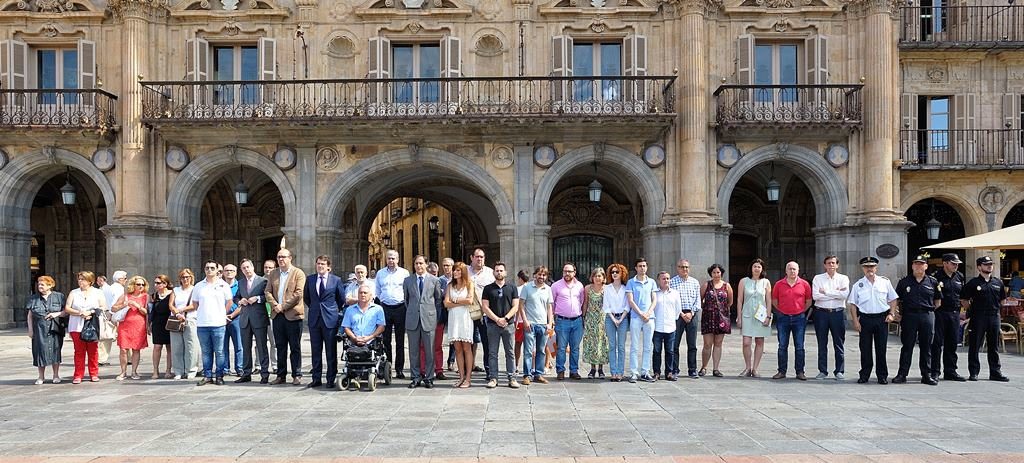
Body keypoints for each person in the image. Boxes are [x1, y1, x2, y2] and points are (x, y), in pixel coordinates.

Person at [847, 256, 899, 384]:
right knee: (865, 349)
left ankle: (882, 375)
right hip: (865, 319)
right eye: (866, 267)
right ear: (862, 268)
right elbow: (852, 304)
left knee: (881, 349)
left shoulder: (884, 282)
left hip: (881, 319)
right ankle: (864, 374)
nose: (869, 269)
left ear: (876, 268)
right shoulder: (858, 285)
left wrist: (892, 313)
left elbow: (893, 299)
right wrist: (855, 321)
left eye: (871, 266)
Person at [961, 255, 1009, 382]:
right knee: (974, 345)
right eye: (986, 264)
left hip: (994, 316)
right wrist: (971, 310)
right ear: (979, 267)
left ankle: (995, 372)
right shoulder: (973, 283)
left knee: (994, 346)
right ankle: (974, 372)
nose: (989, 266)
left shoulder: (998, 282)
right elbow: (964, 300)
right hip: (978, 317)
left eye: (991, 264)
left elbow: (1003, 300)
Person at [894, 255, 940, 385]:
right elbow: (896, 299)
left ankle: (926, 375)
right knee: (907, 346)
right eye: (916, 264)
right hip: (910, 316)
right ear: (912, 266)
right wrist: (897, 312)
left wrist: (929, 312)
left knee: (927, 346)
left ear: (926, 266)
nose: (919, 266)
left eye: (921, 264)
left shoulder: (932, 282)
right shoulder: (904, 282)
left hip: (927, 315)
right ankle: (902, 374)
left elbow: (938, 301)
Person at [301, 255, 345, 389]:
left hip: (330, 319)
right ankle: (316, 378)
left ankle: (331, 378)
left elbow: (341, 299)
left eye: (323, 264)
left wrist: (332, 311)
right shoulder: (310, 279)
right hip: (315, 319)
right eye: (318, 263)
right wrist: (316, 308)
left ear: (328, 267)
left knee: (330, 351)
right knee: (316, 350)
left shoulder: (336, 280)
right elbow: (306, 298)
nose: (320, 266)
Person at [265, 248, 307, 385]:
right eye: (278, 257)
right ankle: (280, 375)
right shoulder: (273, 274)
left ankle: (297, 374)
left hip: (293, 315)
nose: (281, 259)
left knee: (295, 347)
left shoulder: (298, 273)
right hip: (278, 315)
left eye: (283, 257)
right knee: (280, 346)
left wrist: (283, 306)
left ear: (290, 258)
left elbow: (299, 293)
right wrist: (275, 305)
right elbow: (267, 292)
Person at [403, 255, 444, 389]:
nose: (418, 266)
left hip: (429, 318)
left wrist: (434, 315)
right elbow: (406, 300)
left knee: (429, 350)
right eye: (416, 264)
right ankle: (415, 377)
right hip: (413, 319)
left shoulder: (434, 280)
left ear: (426, 264)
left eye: (421, 263)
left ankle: (429, 377)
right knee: (413, 350)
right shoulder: (408, 280)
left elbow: (438, 300)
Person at [481, 262, 520, 388]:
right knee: (493, 352)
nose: (499, 272)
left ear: (505, 273)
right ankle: (493, 378)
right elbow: (485, 307)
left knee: (510, 352)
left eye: (501, 270)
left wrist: (506, 318)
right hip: (493, 325)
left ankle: (512, 378)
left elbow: (516, 306)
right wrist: (497, 319)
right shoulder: (488, 288)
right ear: (493, 273)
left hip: (508, 325)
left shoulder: (512, 287)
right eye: (497, 270)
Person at [193, 261, 233, 386]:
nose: (209, 270)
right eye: (207, 268)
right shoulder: (199, 286)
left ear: (217, 270)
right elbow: (195, 304)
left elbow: (229, 302)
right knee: (205, 351)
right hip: (202, 324)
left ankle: (219, 375)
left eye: (212, 268)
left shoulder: (223, 285)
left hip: (218, 324)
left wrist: (222, 313)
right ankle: (208, 375)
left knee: (219, 351)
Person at [811, 255, 850, 380]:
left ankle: (839, 370)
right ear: (824, 265)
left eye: (833, 263)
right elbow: (816, 296)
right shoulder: (818, 278)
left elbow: (844, 295)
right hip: (821, 313)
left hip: (837, 313)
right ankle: (822, 370)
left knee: (839, 343)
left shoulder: (843, 278)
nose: (831, 265)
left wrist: (826, 292)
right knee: (822, 343)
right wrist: (836, 293)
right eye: (828, 263)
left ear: (837, 265)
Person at [231, 259, 269, 384]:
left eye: (248, 267)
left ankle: (264, 373)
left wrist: (257, 298)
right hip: (244, 319)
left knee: (262, 347)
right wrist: (239, 301)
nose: (246, 270)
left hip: (259, 318)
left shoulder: (263, 281)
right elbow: (236, 297)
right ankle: (246, 373)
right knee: (246, 347)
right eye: (243, 268)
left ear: (252, 267)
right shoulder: (241, 282)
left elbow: (268, 296)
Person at [771, 261, 810, 380]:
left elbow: (808, 301)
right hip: (783, 318)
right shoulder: (779, 284)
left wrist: (800, 310)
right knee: (782, 345)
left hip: (799, 318)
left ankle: (800, 372)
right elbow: (774, 300)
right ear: (786, 271)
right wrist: (783, 310)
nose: (792, 271)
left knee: (799, 346)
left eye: (794, 269)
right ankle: (781, 371)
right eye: (790, 269)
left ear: (798, 271)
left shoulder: (804, 284)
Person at [64, 271, 106, 384]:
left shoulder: (98, 292)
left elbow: (103, 307)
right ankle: (78, 375)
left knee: (93, 350)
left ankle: (94, 373)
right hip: (76, 325)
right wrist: (79, 313)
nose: (80, 281)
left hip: (92, 324)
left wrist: (90, 312)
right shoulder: (74, 293)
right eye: (79, 279)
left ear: (89, 281)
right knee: (79, 351)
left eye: (82, 279)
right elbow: (67, 308)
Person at [375, 249, 410, 380]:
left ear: (398, 259)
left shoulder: (404, 273)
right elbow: (377, 290)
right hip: (385, 308)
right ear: (386, 259)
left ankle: (399, 369)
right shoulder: (380, 273)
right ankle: (386, 368)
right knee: (386, 340)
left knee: (400, 340)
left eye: (393, 258)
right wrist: (384, 300)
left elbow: (407, 290)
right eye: (389, 258)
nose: (391, 260)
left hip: (400, 308)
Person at [931, 253, 966, 382]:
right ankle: (934, 371)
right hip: (940, 312)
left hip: (955, 313)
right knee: (937, 343)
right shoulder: (935, 277)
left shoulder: (959, 276)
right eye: (953, 263)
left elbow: (961, 295)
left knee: (952, 343)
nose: (955, 266)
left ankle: (951, 371)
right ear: (945, 263)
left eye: (957, 264)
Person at [27, 275, 66, 385]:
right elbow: (29, 315)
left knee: (55, 350)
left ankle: (56, 375)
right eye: (39, 284)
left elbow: (66, 311)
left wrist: (56, 314)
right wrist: (30, 329)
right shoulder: (33, 298)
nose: (40, 286)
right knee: (39, 351)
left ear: (50, 285)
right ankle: (41, 376)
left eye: (42, 284)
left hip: (54, 328)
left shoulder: (59, 296)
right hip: (39, 328)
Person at [737, 259, 772, 378]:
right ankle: (747, 367)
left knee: (759, 341)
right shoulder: (744, 281)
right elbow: (739, 300)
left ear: (762, 269)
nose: (756, 268)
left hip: (761, 315)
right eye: (755, 266)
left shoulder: (766, 282)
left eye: (759, 267)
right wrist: (739, 317)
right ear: (751, 268)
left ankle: (755, 368)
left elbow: (768, 300)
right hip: (747, 314)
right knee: (746, 342)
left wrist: (768, 316)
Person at [520, 265, 553, 385]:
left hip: (543, 324)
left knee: (541, 350)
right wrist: (525, 320)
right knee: (528, 351)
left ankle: (538, 374)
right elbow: (521, 305)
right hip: (530, 324)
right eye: (539, 274)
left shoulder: (548, 289)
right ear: (535, 275)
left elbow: (549, 307)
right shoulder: (527, 287)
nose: (541, 277)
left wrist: (550, 323)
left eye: (544, 275)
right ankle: (527, 375)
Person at [444, 262, 476, 388]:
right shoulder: (450, 285)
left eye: (457, 270)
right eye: (454, 270)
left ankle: (468, 378)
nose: (455, 272)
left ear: (462, 272)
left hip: (465, 318)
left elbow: (470, 300)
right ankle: (461, 376)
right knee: (457, 349)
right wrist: (458, 303)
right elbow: (446, 303)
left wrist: (455, 301)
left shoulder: (469, 284)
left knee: (467, 348)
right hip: (454, 319)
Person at [552, 262, 585, 381]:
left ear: (574, 273)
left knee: (575, 348)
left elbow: (581, 301)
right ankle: (560, 371)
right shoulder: (556, 286)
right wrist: (552, 320)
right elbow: (552, 303)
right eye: (565, 271)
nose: (567, 273)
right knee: (561, 347)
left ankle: (574, 371)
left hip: (577, 321)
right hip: (562, 321)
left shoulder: (580, 286)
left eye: (569, 271)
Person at [669, 259, 702, 379]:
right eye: (682, 267)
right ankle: (674, 369)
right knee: (675, 344)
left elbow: (698, 300)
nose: (684, 269)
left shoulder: (695, 282)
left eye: (687, 267)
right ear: (677, 268)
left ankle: (692, 369)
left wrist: (691, 313)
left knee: (692, 344)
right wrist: (682, 314)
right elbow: (672, 300)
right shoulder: (672, 282)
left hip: (692, 314)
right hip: (678, 315)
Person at [700, 263, 733, 378]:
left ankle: (716, 368)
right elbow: (701, 299)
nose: (716, 274)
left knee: (718, 343)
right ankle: (704, 367)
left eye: (718, 272)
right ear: (711, 273)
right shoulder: (706, 285)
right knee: (707, 344)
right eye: (714, 272)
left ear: (721, 273)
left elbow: (730, 302)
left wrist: (722, 311)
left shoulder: (726, 286)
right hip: (708, 317)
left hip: (721, 318)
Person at [627, 258, 657, 383]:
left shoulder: (651, 282)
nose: (642, 268)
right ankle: (634, 372)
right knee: (634, 345)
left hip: (649, 317)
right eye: (640, 266)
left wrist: (648, 313)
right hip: (636, 317)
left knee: (648, 346)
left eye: (644, 266)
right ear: (636, 268)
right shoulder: (631, 282)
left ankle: (645, 371)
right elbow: (630, 300)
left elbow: (654, 299)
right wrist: (640, 313)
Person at [113, 276, 149, 380]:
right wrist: (124, 305)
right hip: (125, 326)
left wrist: (138, 306)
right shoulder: (125, 296)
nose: (141, 286)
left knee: (136, 349)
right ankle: (123, 372)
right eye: (138, 284)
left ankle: (134, 372)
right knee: (123, 349)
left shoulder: (146, 297)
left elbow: (147, 312)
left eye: (143, 284)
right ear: (133, 285)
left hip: (139, 326)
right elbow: (113, 308)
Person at [468, 248, 495, 376]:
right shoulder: (465, 272)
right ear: (471, 257)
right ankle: (467, 369)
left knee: (487, 343)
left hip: (484, 315)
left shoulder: (490, 273)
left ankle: (489, 370)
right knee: (468, 342)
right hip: (468, 314)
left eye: (482, 257)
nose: (479, 259)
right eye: (477, 256)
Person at [169, 269, 199, 380]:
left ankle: (191, 370)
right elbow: (171, 305)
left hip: (190, 319)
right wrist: (177, 313)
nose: (185, 279)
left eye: (187, 277)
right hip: (176, 320)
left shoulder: (195, 289)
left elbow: (195, 305)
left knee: (191, 346)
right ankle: (178, 370)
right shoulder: (175, 290)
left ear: (191, 278)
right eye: (183, 277)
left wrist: (181, 310)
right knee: (176, 346)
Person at [652, 271, 682, 381]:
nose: (666, 281)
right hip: (657, 326)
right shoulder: (654, 293)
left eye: (668, 278)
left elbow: (678, 310)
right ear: (658, 280)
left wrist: (672, 319)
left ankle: (669, 372)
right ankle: (656, 372)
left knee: (670, 351)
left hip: (670, 326)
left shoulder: (675, 293)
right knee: (656, 351)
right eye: (663, 279)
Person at [603, 263, 630, 382]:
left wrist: (621, 318)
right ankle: (613, 372)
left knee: (621, 346)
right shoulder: (607, 288)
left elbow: (627, 305)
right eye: (612, 272)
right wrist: (614, 319)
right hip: (610, 318)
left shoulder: (626, 288)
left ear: (621, 273)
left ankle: (620, 372)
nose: (614, 274)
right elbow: (606, 306)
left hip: (623, 318)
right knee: (612, 346)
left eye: (617, 272)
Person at [581, 267, 609, 379]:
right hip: (591, 319)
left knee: (602, 342)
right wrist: (583, 317)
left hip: (603, 318)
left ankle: (601, 369)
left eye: (600, 276)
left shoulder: (607, 289)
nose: (598, 278)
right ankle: (592, 369)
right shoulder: (588, 288)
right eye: (595, 276)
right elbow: (585, 303)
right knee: (591, 343)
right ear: (592, 277)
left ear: (603, 278)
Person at [99, 270, 127, 365]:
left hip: (108, 313)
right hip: (116, 314)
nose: (126, 281)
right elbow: (116, 302)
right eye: (125, 278)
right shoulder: (119, 289)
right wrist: (111, 313)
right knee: (123, 336)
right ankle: (129, 357)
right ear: (120, 279)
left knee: (107, 337)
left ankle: (101, 358)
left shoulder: (109, 287)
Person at [149, 274, 174, 379]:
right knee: (157, 347)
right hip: (157, 323)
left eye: (158, 283)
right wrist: (149, 323)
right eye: (155, 283)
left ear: (165, 284)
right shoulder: (154, 296)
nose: (156, 285)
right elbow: (151, 311)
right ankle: (155, 370)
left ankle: (168, 370)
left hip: (168, 322)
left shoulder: (171, 294)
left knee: (169, 347)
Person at [221, 264, 243, 377]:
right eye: (226, 270)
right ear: (223, 272)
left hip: (236, 318)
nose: (229, 272)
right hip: (221, 319)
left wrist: (232, 315)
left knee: (239, 345)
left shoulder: (240, 285)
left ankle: (240, 368)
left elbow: (242, 304)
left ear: (235, 272)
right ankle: (225, 368)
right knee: (223, 346)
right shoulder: (219, 285)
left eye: (231, 270)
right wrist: (223, 316)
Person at [440, 258, 457, 372]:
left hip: (454, 309)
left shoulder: (457, 279)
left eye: (448, 265)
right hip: (442, 309)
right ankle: (438, 363)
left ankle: (451, 361)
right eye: (444, 265)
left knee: (454, 335)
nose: (446, 268)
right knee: (439, 336)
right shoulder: (438, 280)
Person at [262, 259, 278, 373]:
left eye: (270, 268)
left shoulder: (278, 280)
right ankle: (258, 365)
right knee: (260, 342)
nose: (268, 270)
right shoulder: (259, 281)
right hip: (261, 314)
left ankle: (275, 364)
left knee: (274, 342)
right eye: (266, 267)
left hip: (273, 314)